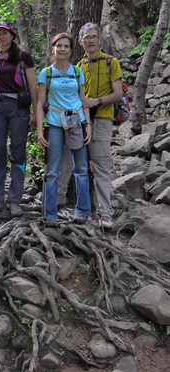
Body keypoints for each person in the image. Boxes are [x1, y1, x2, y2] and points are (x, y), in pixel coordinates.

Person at [0, 21, 38, 219]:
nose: (2, 37)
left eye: (5, 33)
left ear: (12, 36)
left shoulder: (23, 57)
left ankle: (15, 200)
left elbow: (32, 86)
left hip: (18, 107)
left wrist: (35, 112)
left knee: (18, 153)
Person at [36, 33, 92, 227]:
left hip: (77, 121)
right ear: (53, 49)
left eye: (66, 46)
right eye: (58, 46)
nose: (62, 49)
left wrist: (89, 125)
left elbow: (83, 100)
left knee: (81, 168)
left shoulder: (77, 72)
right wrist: (39, 129)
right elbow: (40, 102)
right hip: (55, 123)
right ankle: (49, 214)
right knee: (52, 170)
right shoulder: (47, 73)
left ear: (70, 50)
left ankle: (83, 211)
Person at [76, 23, 122, 229]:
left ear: (100, 40)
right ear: (81, 42)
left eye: (94, 37)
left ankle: (105, 213)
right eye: (87, 37)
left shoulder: (112, 63)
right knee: (81, 166)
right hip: (81, 121)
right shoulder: (78, 67)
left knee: (102, 166)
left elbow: (118, 94)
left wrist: (96, 101)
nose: (91, 40)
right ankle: (84, 210)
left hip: (102, 119)